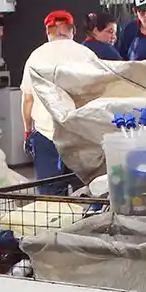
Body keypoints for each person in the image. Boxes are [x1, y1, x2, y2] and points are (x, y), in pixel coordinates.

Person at [22, 10, 94, 194]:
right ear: (73, 30)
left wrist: (28, 130)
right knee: (88, 189)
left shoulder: (36, 56)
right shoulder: (86, 54)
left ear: (48, 32)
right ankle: (88, 221)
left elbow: (28, 100)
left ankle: (58, 222)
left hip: (47, 134)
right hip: (81, 133)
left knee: (51, 194)